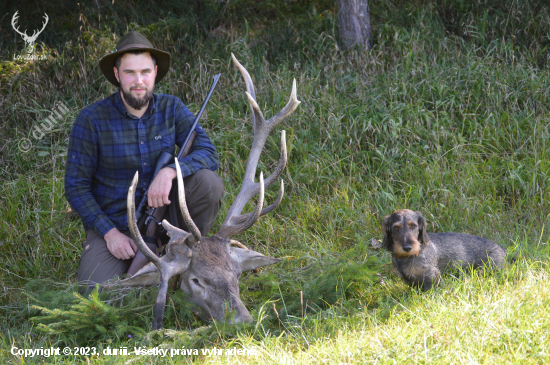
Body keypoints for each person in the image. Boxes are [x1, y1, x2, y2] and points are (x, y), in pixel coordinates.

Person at [64, 31, 224, 290]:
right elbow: (75, 186)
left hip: (168, 216)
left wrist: (171, 171)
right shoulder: (91, 120)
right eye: (129, 73)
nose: (138, 81)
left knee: (209, 183)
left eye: (145, 72)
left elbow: (208, 152)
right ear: (117, 75)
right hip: (116, 225)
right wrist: (110, 234)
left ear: (155, 72)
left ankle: (189, 247)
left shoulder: (172, 108)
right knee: (96, 292)